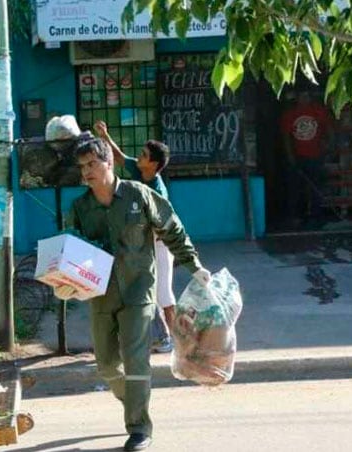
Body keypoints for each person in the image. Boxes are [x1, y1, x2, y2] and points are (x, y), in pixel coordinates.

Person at [51, 133, 211, 451]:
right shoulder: (80, 208)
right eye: (82, 166)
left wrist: (194, 267)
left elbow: (173, 230)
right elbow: (69, 250)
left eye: (93, 163)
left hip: (139, 291)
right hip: (101, 294)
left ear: (109, 162)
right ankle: (133, 401)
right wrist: (63, 282)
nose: (86, 171)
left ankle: (139, 428)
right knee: (107, 366)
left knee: (136, 361)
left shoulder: (139, 195)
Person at [93, 120, 175, 353]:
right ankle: (160, 338)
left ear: (154, 164)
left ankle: (177, 341)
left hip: (159, 245)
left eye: (143, 155)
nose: (138, 157)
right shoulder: (140, 171)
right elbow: (118, 157)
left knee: (163, 295)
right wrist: (105, 135)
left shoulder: (157, 191)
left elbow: (155, 225)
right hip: (144, 245)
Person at [279, 90, 332, 227]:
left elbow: (328, 129)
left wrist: (326, 144)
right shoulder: (290, 114)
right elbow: (286, 137)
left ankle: (316, 216)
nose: (304, 98)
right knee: (295, 188)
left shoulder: (318, 111)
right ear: (297, 97)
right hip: (297, 157)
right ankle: (294, 216)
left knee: (315, 188)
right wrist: (290, 157)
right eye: (302, 95)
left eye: (307, 95)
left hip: (316, 156)